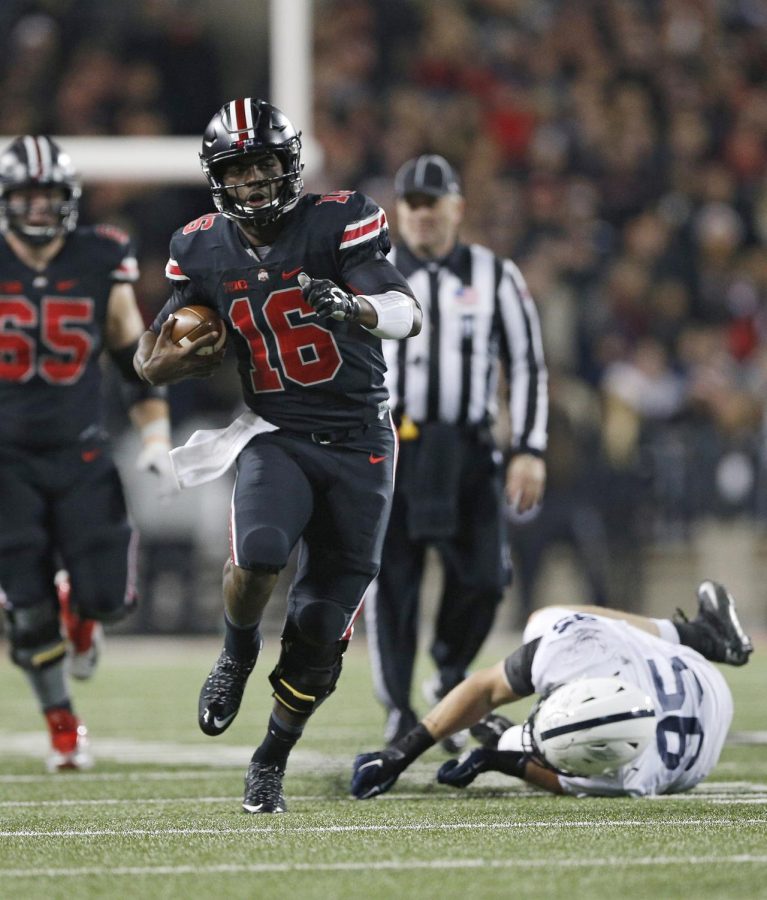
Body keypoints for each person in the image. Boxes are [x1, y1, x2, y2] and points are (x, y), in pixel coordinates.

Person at [133, 97, 422, 814]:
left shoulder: (340, 218)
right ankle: (235, 653)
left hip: (359, 444)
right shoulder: (200, 245)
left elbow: (405, 311)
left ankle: (269, 761)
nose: (254, 182)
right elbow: (150, 355)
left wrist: (353, 309)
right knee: (259, 551)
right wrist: (171, 360)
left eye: (264, 165)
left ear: (290, 164)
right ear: (216, 179)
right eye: (239, 170)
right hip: (277, 432)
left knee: (320, 633)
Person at [0, 135, 173, 771]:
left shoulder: (101, 255)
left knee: (110, 599)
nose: (40, 209)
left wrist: (154, 433)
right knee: (27, 607)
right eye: (28, 197)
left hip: (79, 452)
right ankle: (63, 726)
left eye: (50, 197)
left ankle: (85, 615)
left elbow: (134, 356)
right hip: (5, 462)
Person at [364, 154, 548, 749]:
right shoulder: (372, 271)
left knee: (488, 577)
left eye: (431, 202)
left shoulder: (496, 274)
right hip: (393, 446)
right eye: (410, 203)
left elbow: (526, 364)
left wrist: (529, 448)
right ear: (398, 210)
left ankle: (447, 670)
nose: (420, 214)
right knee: (392, 582)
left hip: (468, 448)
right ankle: (397, 707)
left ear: (456, 208)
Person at [351, 580, 753, 799]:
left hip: (697, 705)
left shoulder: (623, 773)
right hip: (698, 685)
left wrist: (499, 758)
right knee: (547, 620)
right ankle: (696, 636)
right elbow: (487, 691)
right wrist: (401, 753)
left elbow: (561, 777)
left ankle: (690, 635)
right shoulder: (584, 651)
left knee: (513, 732)